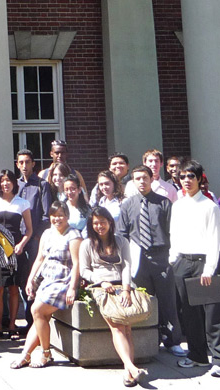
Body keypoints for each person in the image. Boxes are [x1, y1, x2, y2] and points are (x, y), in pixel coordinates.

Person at [116, 165, 186, 357]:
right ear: (133, 181)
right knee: (143, 301)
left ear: (151, 179)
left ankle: (172, 341)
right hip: (138, 259)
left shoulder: (164, 203)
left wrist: (172, 257)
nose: (141, 181)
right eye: (137, 178)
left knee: (167, 301)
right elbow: (122, 235)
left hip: (161, 257)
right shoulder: (128, 205)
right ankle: (149, 340)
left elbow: (174, 231)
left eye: (144, 178)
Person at [80, 207, 146, 386]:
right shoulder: (87, 244)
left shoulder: (121, 241)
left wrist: (126, 290)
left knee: (127, 327)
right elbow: (84, 270)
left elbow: (126, 266)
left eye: (102, 222)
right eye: (95, 223)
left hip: (122, 285)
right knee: (116, 325)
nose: (99, 226)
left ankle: (129, 370)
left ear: (110, 222)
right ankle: (131, 367)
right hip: (101, 287)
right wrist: (101, 281)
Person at [10, 201, 81, 369]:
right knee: (39, 317)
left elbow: (77, 263)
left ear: (67, 216)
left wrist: (72, 287)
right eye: (54, 215)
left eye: (61, 215)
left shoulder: (74, 235)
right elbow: (40, 259)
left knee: (37, 310)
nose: (57, 219)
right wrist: (31, 279)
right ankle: (25, 355)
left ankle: (46, 353)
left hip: (64, 281)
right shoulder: (47, 233)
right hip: (47, 280)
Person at [168, 160, 220, 375]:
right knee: (188, 314)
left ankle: (217, 360)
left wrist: (209, 268)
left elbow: (214, 238)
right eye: (182, 177)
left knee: (211, 315)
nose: (186, 180)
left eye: (191, 176)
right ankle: (197, 356)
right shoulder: (178, 205)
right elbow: (174, 233)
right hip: (182, 262)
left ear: (199, 178)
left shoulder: (209, 206)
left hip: (203, 263)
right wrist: (173, 259)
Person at [0, 169, 32, 339]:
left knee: (14, 289)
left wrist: (22, 244)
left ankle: (12, 325)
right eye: (2, 180)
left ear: (15, 183)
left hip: (15, 250)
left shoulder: (22, 203)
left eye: (9, 180)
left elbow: (29, 230)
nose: (5, 183)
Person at [16, 149, 52, 330]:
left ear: (33, 164)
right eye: (21, 162)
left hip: (34, 241)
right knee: (21, 279)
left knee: (34, 278)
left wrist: (36, 237)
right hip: (17, 241)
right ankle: (26, 318)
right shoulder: (14, 185)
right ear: (17, 164)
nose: (24, 166)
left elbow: (46, 215)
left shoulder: (41, 185)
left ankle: (34, 321)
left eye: (27, 162)